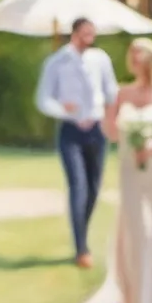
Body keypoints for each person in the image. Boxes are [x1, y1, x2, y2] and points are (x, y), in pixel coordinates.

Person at [35, 17, 118, 267]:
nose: (89, 38)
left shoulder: (100, 59)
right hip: (71, 132)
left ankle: (82, 230)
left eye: (92, 34)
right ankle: (81, 247)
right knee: (78, 186)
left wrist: (111, 116)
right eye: (84, 34)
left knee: (94, 188)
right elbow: (43, 99)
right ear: (74, 34)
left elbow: (111, 91)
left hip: (97, 130)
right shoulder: (57, 62)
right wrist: (64, 109)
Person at [100, 38, 152, 303]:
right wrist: (108, 111)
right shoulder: (121, 92)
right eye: (132, 53)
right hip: (130, 168)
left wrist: (151, 145)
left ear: (151, 58)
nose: (135, 57)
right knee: (136, 228)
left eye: (140, 52)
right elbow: (112, 134)